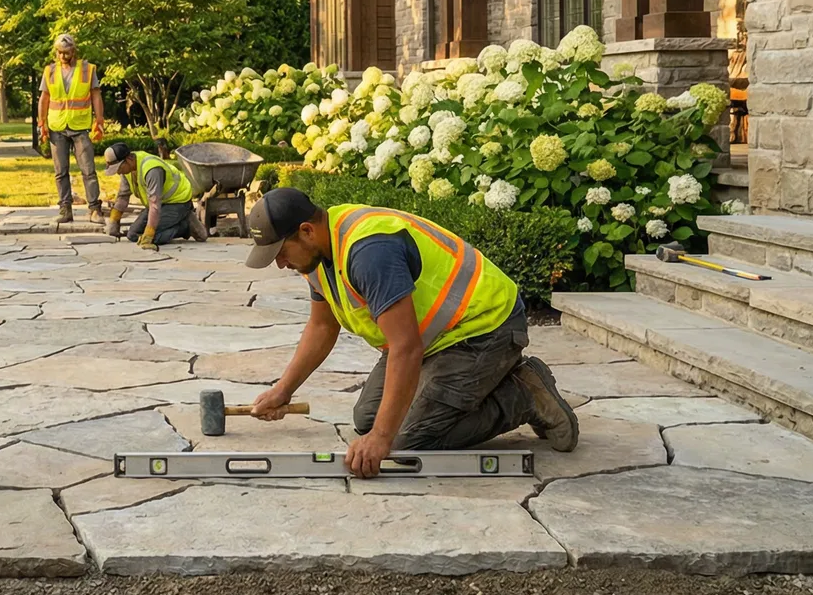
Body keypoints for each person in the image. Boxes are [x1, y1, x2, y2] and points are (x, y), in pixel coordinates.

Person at [241, 187, 579, 478]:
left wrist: (383, 437)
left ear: (306, 231)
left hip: (482, 328)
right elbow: (322, 325)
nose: (280, 264)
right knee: (368, 419)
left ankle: (523, 396)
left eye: (280, 253)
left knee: (402, 442)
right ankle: (468, 392)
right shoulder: (318, 256)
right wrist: (283, 390)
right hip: (437, 337)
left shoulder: (369, 252)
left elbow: (405, 347)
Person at [36, 33, 107, 224]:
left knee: (88, 170)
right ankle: (65, 209)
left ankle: (94, 209)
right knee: (61, 172)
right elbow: (44, 98)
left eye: (66, 53)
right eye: (59, 52)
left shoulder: (87, 69)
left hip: (80, 127)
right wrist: (41, 123)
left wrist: (99, 120)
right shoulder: (49, 71)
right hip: (57, 126)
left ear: (73, 51)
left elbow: (96, 95)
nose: (62, 56)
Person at [99, 141, 206, 249]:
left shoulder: (152, 170)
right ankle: (177, 221)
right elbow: (123, 197)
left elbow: (155, 204)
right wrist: (113, 222)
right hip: (160, 203)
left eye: (119, 168)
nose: (118, 172)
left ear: (129, 160)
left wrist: (149, 234)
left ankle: (186, 226)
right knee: (133, 235)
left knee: (153, 237)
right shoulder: (127, 171)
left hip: (178, 202)